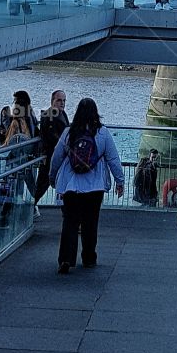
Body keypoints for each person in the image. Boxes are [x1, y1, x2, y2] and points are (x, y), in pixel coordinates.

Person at [49, 97, 124, 272]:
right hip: (95, 186)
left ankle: (66, 259)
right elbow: (113, 159)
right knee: (91, 222)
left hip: (71, 185)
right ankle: (89, 257)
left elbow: (57, 157)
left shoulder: (69, 132)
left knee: (70, 222)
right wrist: (119, 181)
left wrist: (52, 178)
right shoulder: (103, 133)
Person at [0, 95, 40, 228]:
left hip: (15, 159)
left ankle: (4, 216)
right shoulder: (30, 119)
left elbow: (8, 143)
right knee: (23, 186)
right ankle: (31, 208)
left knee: (10, 186)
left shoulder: (16, 122)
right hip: (26, 158)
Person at [36, 89, 70, 204]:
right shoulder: (48, 115)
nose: (62, 103)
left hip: (60, 156)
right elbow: (51, 138)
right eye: (59, 100)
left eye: (64, 100)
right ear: (52, 101)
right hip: (50, 156)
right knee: (42, 185)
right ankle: (31, 207)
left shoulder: (62, 114)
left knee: (47, 184)